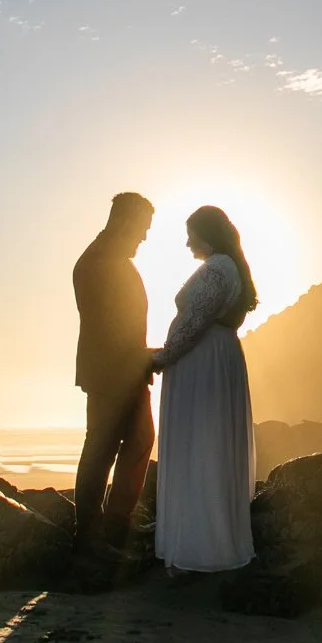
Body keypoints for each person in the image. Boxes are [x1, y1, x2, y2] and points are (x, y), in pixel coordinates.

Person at [150, 205, 259, 574]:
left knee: (197, 443)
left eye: (190, 234)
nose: (186, 243)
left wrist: (162, 357)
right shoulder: (231, 267)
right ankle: (210, 537)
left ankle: (201, 546)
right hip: (217, 356)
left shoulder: (216, 269)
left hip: (202, 361)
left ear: (206, 233)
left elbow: (194, 320)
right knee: (210, 443)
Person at [69, 192, 156, 573]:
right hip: (112, 372)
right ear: (124, 221)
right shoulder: (99, 262)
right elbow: (107, 326)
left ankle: (114, 526)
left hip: (126, 369)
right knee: (102, 448)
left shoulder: (110, 258)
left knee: (138, 439)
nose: (144, 237)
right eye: (142, 228)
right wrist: (143, 357)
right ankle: (89, 536)